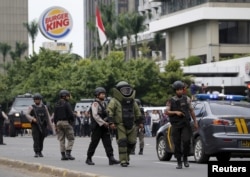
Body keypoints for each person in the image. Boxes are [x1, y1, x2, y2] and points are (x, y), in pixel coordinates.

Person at [107, 81, 143, 167]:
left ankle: (126, 156)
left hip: (132, 124)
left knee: (132, 142)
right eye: (124, 90)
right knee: (122, 142)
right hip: (120, 125)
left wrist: (140, 122)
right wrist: (111, 122)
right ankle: (123, 160)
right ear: (118, 91)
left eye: (128, 90)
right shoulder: (114, 101)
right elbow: (109, 111)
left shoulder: (133, 101)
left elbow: (138, 112)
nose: (126, 92)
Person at [167, 81, 198, 169]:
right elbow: (167, 111)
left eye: (181, 89)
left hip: (185, 124)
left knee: (186, 141)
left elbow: (191, 111)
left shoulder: (187, 99)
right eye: (178, 90)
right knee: (177, 143)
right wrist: (176, 112)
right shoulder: (171, 100)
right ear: (175, 90)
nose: (180, 91)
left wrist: (195, 122)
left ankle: (185, 158)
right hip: (176, 124)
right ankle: (179, 162)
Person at [85, 87, 120, 166]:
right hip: (97, 127)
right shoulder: (95, 104)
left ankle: (111, 158)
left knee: (108, 142)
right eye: (102, 94)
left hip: (104, 127)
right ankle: (88, 158)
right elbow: (95, 115)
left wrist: (109, 122)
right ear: (97, 95)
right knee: (94, 143)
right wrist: (104, 122)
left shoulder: (104, 103)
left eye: (104, 94)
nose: (103, 95)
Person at [25, 93, 54, 157]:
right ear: (34, 100)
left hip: (43, 124)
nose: (37, 101)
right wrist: (32, 119)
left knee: (42, 138)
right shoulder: (31, 107)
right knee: (36, 138)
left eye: (38, 99)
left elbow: (48, 116)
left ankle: (40, 151)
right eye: (36, 99)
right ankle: (36, 151)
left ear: (40, 100)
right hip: (35, 125)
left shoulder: (44, 107)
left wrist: (51, 126)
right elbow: (26, 114)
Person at [54, 90, 75, 161]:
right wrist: (72, 121)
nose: (69, 97)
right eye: (68, 96)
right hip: (66, 122)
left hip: (58, 123)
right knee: (71, 138)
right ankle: (68, 153)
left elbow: (55, 116)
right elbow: (70, 114)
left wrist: (55, 125)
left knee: (61, 139)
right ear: (65, 96)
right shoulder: (67, 104)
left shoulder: (57, 104)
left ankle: (63, 155)